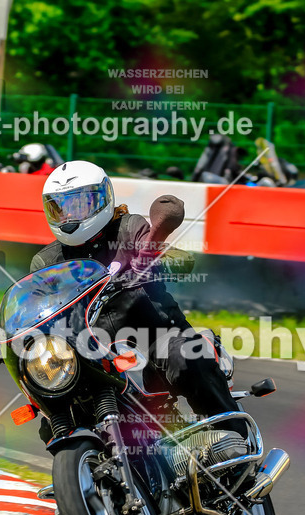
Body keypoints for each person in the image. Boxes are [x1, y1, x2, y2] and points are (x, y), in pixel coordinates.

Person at [31, 160, 250, 441]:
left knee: (185, 358)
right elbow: (35, 310)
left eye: (78, 205)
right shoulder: (47, 262)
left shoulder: (129, 228)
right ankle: (87, 474)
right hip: (94, 353)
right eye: (59, 207)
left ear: (102, 199)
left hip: (154, 335)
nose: (68, 215)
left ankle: (232, 439)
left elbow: (166, 252)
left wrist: (157, 263)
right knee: (53, 404)